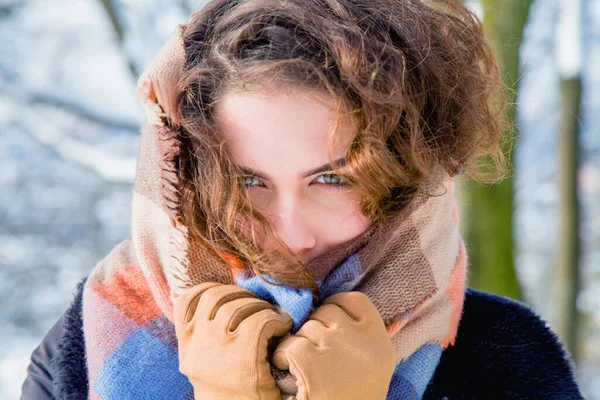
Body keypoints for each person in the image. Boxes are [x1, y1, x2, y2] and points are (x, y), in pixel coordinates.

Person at [21, 0, 584, 399]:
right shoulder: (89, 339)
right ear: (187, 178)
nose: (290, 233)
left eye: (332, 179)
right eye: (246, 180)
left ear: (406, 178)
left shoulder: (505, 353)